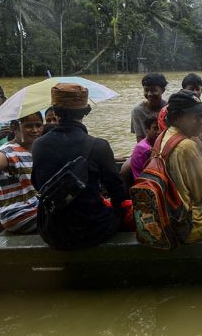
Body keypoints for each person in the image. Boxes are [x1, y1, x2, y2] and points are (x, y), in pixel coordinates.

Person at [31, 84, 130, 249]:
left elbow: (36, 183)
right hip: (91, 230)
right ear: (86, 111)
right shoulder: (98, 146)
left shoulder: (38, 145)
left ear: (54, 112)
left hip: (52, 230)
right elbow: (118, 193)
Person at [157, 89, 202, 242]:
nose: (201, 122)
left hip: (165, 217)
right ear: (177, 117)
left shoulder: (163, 136)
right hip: (187, 225)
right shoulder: (187, 146)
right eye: (196, 117)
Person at [131, 73, 168, 142]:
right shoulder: (137, 111)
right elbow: (139, 139)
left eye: (153, 90)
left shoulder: (169, 108)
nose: (149, 94)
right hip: (148, 148)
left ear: (163, 90)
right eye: (146, 90)